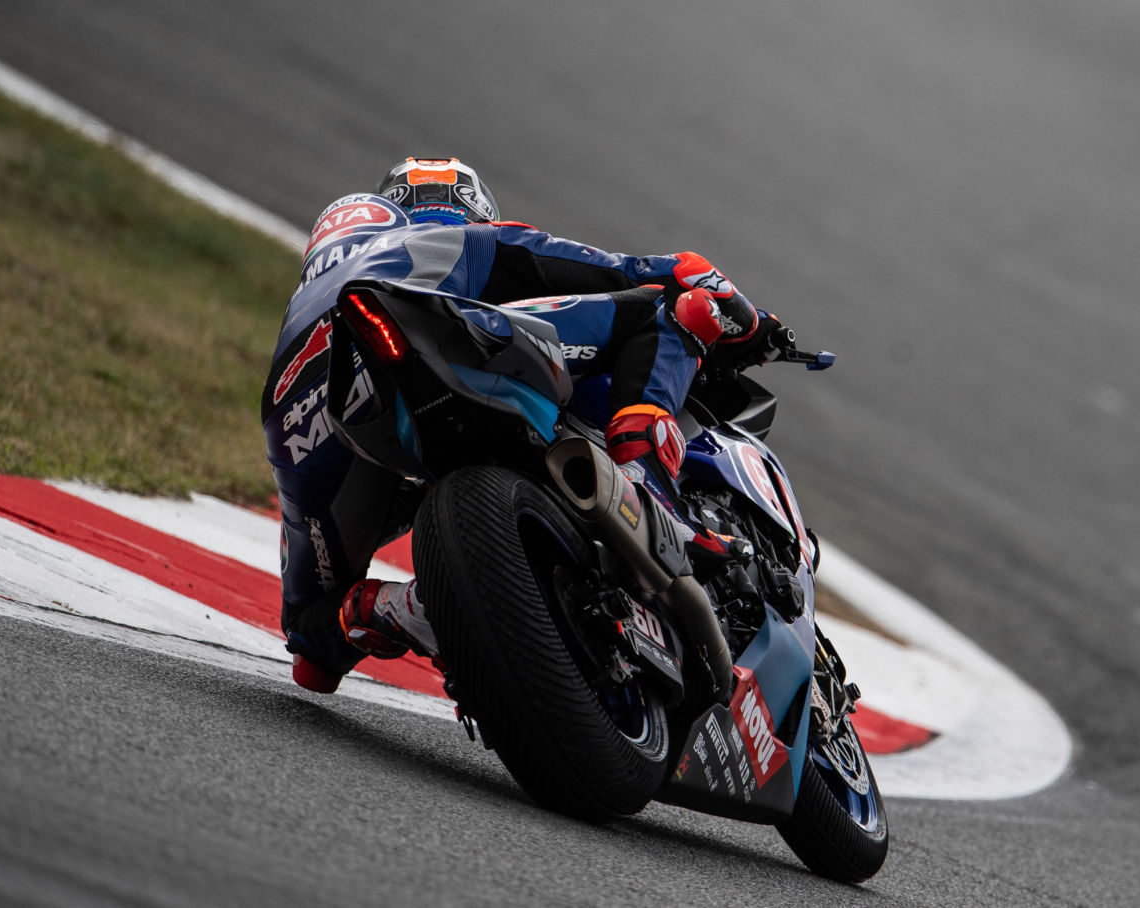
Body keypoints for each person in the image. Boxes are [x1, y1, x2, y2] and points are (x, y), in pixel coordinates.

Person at [260, 157, 779, 693]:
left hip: (300, 409)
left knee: (310, 633)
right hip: (424, 344)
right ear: (472, 208)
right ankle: (655, 500)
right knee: (670, 310)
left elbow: (310, 668)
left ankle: (398, 608)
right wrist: (751, 323)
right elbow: (670, 271)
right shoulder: (455, 238)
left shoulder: (310, 305)